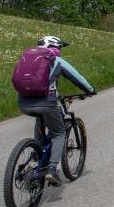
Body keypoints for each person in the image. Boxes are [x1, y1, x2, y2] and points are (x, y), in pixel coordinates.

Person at [17, 36, 96, 186]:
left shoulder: (27, 59)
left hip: (23, 103)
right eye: (59, 47)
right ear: (54, 47)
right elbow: (77, 78)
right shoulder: (55, 60)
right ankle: (52, 169)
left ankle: (37, 152)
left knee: (40, 118)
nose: (60, 51)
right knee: (59, 133)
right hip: (47, 103)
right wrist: (90, 90)